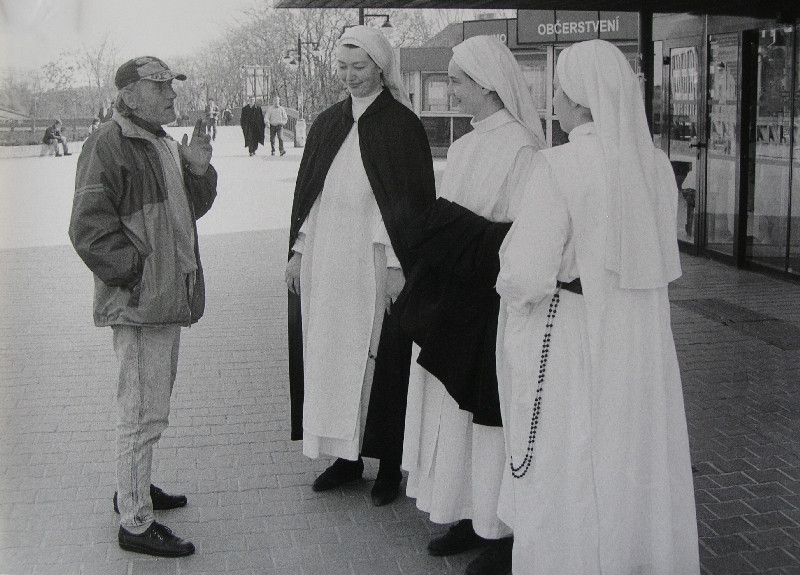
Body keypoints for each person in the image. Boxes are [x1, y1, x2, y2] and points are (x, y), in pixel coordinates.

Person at [495, 39, 699, 574]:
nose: (554, 100)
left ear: (580, 99)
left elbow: (526, 272)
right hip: (641, 337)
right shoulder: (654, 166)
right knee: (635, 452)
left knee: (572, 454)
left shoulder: (558, 165)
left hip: (572, 335)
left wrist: (509, 283)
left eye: (559, 88)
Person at [397, 36, 546, 575]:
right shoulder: (464, 146)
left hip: (489, 303)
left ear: (485, 83)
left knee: (485, 420)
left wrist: (449, 230)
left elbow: (520, 236)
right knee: (450, 413)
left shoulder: (523, 148)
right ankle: (464, 510)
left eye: (458, 81)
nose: (452, 90)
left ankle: (497, 524)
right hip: (451, 296)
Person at [68, 56, 217, 559]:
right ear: (129, 95)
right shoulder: (107, 144)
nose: (172, 97)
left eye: (172, 88)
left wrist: (198, 170)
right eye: (160, 89)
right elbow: (87, 229)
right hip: (140, 304)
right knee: (140, 414)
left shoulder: (161, 143)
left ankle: (134, 484)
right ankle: (134, 520)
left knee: (151, 409)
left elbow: (188, 211)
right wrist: (137, 277)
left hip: (165, 299)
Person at [285, 25, 436, 508]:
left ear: (380, 67)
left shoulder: (401, 125)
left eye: (360, 67)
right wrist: (298, 250)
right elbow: (314, 196)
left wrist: (397, 265)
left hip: (374, 266)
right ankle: (344, 458)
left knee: (383, 360)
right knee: (330, 357)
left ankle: (388, 462)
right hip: (328, 263)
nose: (351, 77)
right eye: (344, 68)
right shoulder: (328, 123)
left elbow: (408, 205)